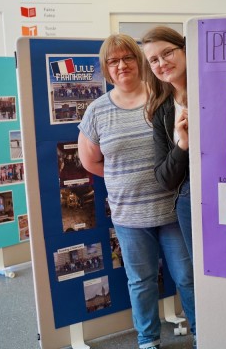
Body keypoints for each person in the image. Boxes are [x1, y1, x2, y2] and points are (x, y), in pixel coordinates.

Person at [77, 33, 196, 349]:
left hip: (172, 209)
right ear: (106, 69)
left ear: (140, 61)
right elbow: (89, 161)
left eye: (128, 57)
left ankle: (203, 333)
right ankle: (147, 340)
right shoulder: (97, 111)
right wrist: (122, 179)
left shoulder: (162, 99)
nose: (121, 65)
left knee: (187, 276)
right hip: (129, 215)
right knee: (142, 282)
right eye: (113, 61)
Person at [142, 27, 194, 261]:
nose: (162, 63)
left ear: (184, 50)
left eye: (167, 53)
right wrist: (183, 144)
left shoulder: (216, 92)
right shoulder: (162, 110)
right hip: (189, 201)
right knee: (203, 275)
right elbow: (165, 178)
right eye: (154, 60)